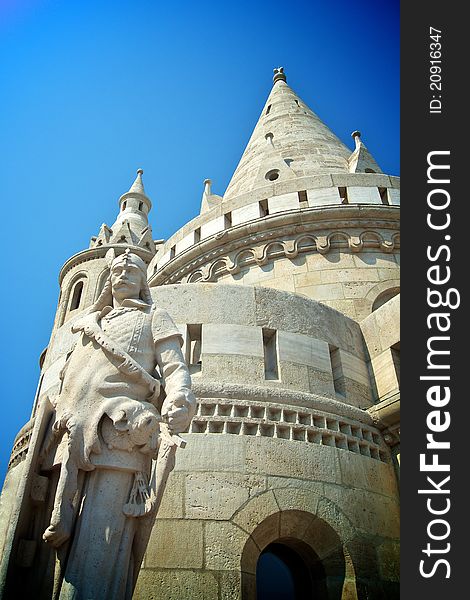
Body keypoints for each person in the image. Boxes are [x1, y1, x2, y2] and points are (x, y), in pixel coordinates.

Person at [38, 248, 196, 599]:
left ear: (143, 282)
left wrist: (179, 400)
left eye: (132, 271)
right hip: (68, 441)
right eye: (116, 271)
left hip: (119, 438)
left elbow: (175, 369)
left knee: (99, 543)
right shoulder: (90, 326)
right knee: (54, 558)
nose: (122, 275)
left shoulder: (154, 317)